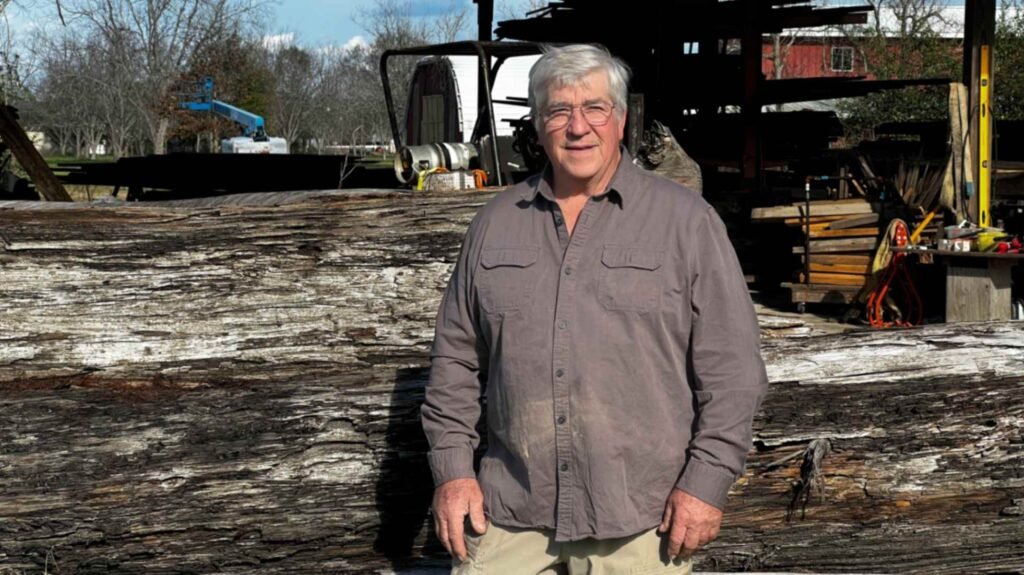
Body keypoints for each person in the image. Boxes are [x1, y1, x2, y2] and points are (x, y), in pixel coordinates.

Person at [422, 43, 768, 574]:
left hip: (640, 523)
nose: (577, 127)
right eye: (559, 110)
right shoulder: (495, 225)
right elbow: (455, 362)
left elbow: (734, 372)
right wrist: (452, 472)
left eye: (595, 109)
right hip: (510, 514)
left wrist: (706, 483)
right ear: (538, 125)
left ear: (622, 119)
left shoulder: (686, 222)